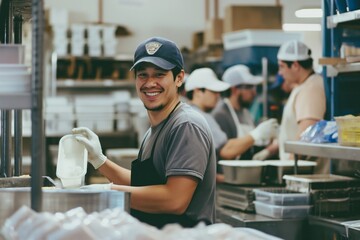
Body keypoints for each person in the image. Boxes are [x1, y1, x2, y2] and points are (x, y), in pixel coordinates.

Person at [72, 37, 217, 228]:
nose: (150, 83)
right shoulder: (155, 130)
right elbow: (142, 185)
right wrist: (99, 160)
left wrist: (108, 192)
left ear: (179, 78)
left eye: (159, 74)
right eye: (143, 75)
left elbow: (174, 200)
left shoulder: (186, 125)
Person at [185, 67, 279, 181]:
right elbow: (226, 150)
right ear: (198, 92)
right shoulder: (200, 117)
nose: (218, 96)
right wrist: (256, 134)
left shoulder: (192, 113)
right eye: (214, 92)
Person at [276, 40, 326, 161]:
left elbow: (307, 132)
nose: (280, 73)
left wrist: (288, 166)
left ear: (295, 65)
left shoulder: (311, 88)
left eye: (282, 66)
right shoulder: (302, 86)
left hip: (304, 172)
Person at [211, 64, 275, 159]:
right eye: (249, 87)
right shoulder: (221, 114)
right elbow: (224, 151)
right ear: (235, 90)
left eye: (254, 87)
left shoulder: (246, 113)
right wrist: (257, 133)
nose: (254, 92)